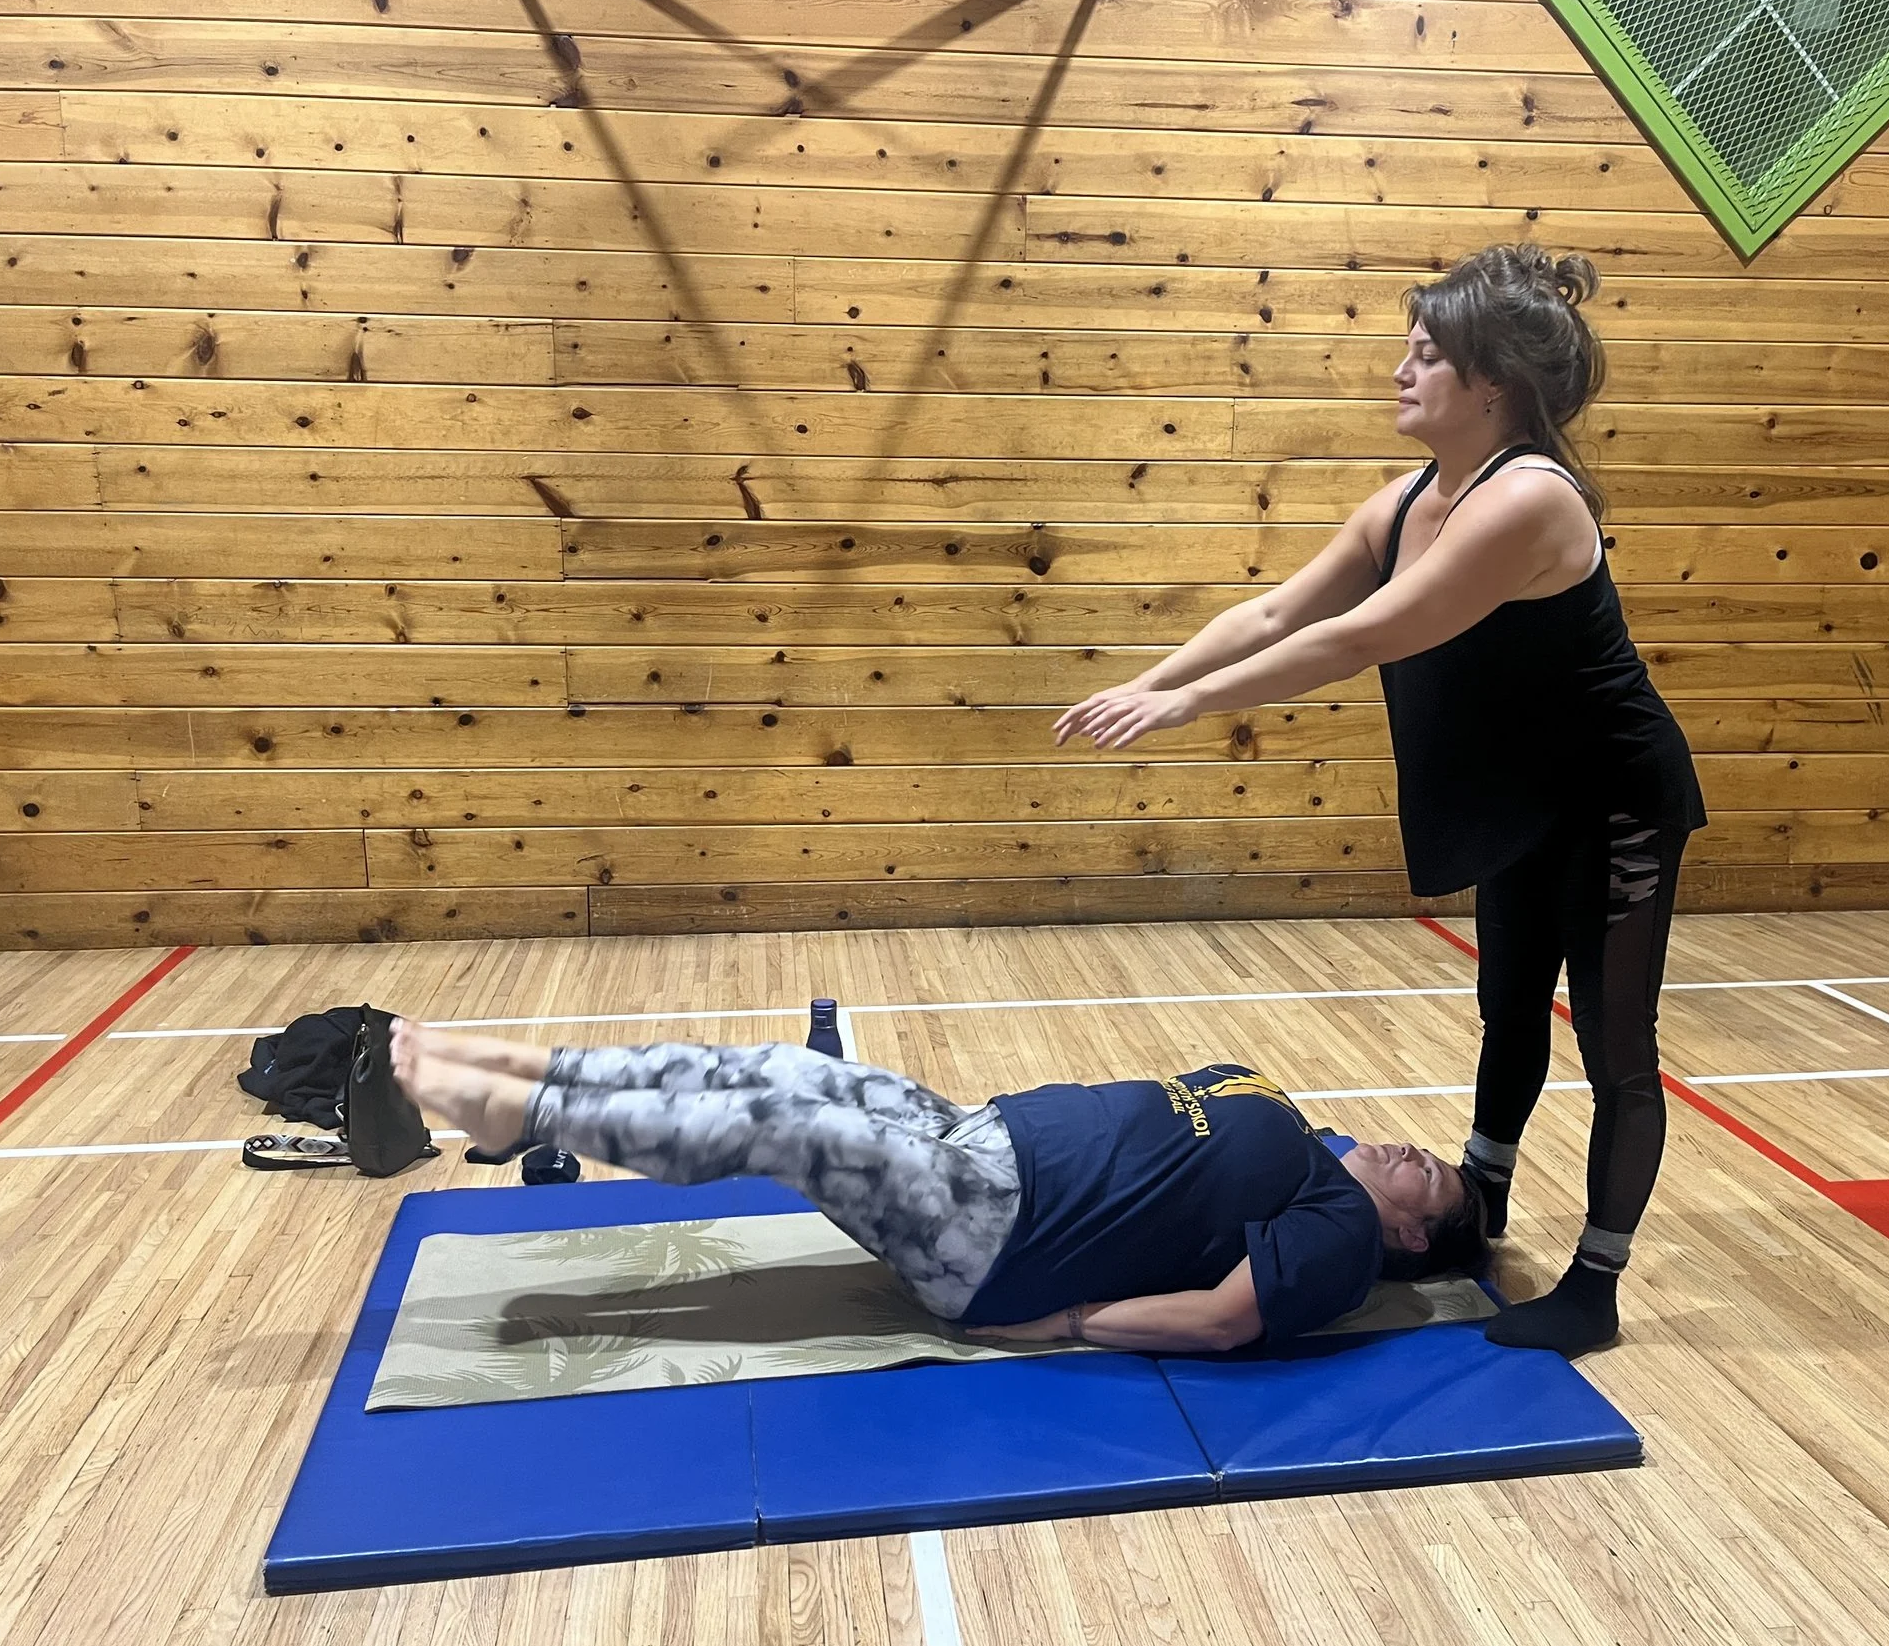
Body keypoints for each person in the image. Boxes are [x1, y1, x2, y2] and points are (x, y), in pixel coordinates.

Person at [1054, 244, 1706, 1358]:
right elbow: (1273, 617)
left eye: (1424, 356)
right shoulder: (1406, 499)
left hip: (1611, 799)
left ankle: (1594, 1283)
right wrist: (1152, 681)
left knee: (1614, 1046)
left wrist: (1191, 707)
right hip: (1522, 793)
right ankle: (1486, 1195)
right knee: (1508, 1009)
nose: (1399, 372)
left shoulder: (1529, 501)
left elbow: (1363, 636)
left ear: (1491, 383)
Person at [388, 1020, 1485, 1353]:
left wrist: (1063, 1322)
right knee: (788, 1068)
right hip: (976, 1136)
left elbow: (1225, 1318)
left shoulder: (1338, 1231)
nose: (1405, 1153)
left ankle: (515, 1116)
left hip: (998, 1240)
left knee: (787, 1127)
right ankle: (526, 1069)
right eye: (1419, 1151)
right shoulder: (1307, 1133)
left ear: (1401, 1239)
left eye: (1422, 1180)